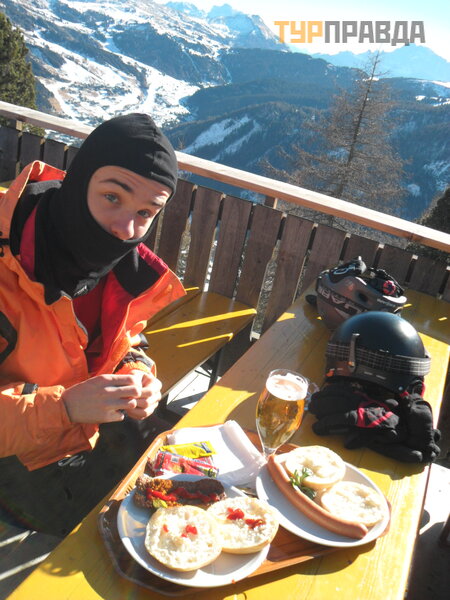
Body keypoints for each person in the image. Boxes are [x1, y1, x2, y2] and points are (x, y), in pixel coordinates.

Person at [0, 113, 185, 535]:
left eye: (146, 212)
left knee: (175, 493)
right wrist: (63, 408)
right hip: (17, 461)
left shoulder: (117, 270)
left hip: (90, 433)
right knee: (123, 531)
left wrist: (136, 371)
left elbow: (127, 338)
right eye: (112, 197)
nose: (125, 229)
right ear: (79, 180)